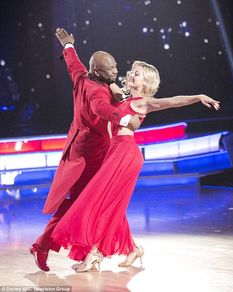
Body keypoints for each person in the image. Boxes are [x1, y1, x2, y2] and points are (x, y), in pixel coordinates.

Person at [50, 60, 220, 272]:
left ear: (146, 82)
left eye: (137, 74)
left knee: (102, 203)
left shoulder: (143, 102)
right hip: (113, 152)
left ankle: (95, 254)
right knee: (112, 205)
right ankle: (134, 248)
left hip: (126, 153)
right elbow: (97, 77)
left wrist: (198, 97)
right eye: (131, 71)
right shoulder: (119, 95)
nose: (131, 75)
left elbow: (174, 101)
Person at [29, 28, 142, 272]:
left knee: (107, 199)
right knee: (82, 202)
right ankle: (43, 244)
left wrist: (68, 46)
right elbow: (101, 108)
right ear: (99, 72)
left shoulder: (83, 77)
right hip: (89, 157)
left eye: (115, 67)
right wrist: (124, 119)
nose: (116, 72)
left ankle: (127, 247)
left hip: (86, 151)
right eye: (111, 69)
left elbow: (73, 64)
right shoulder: (97, 91)